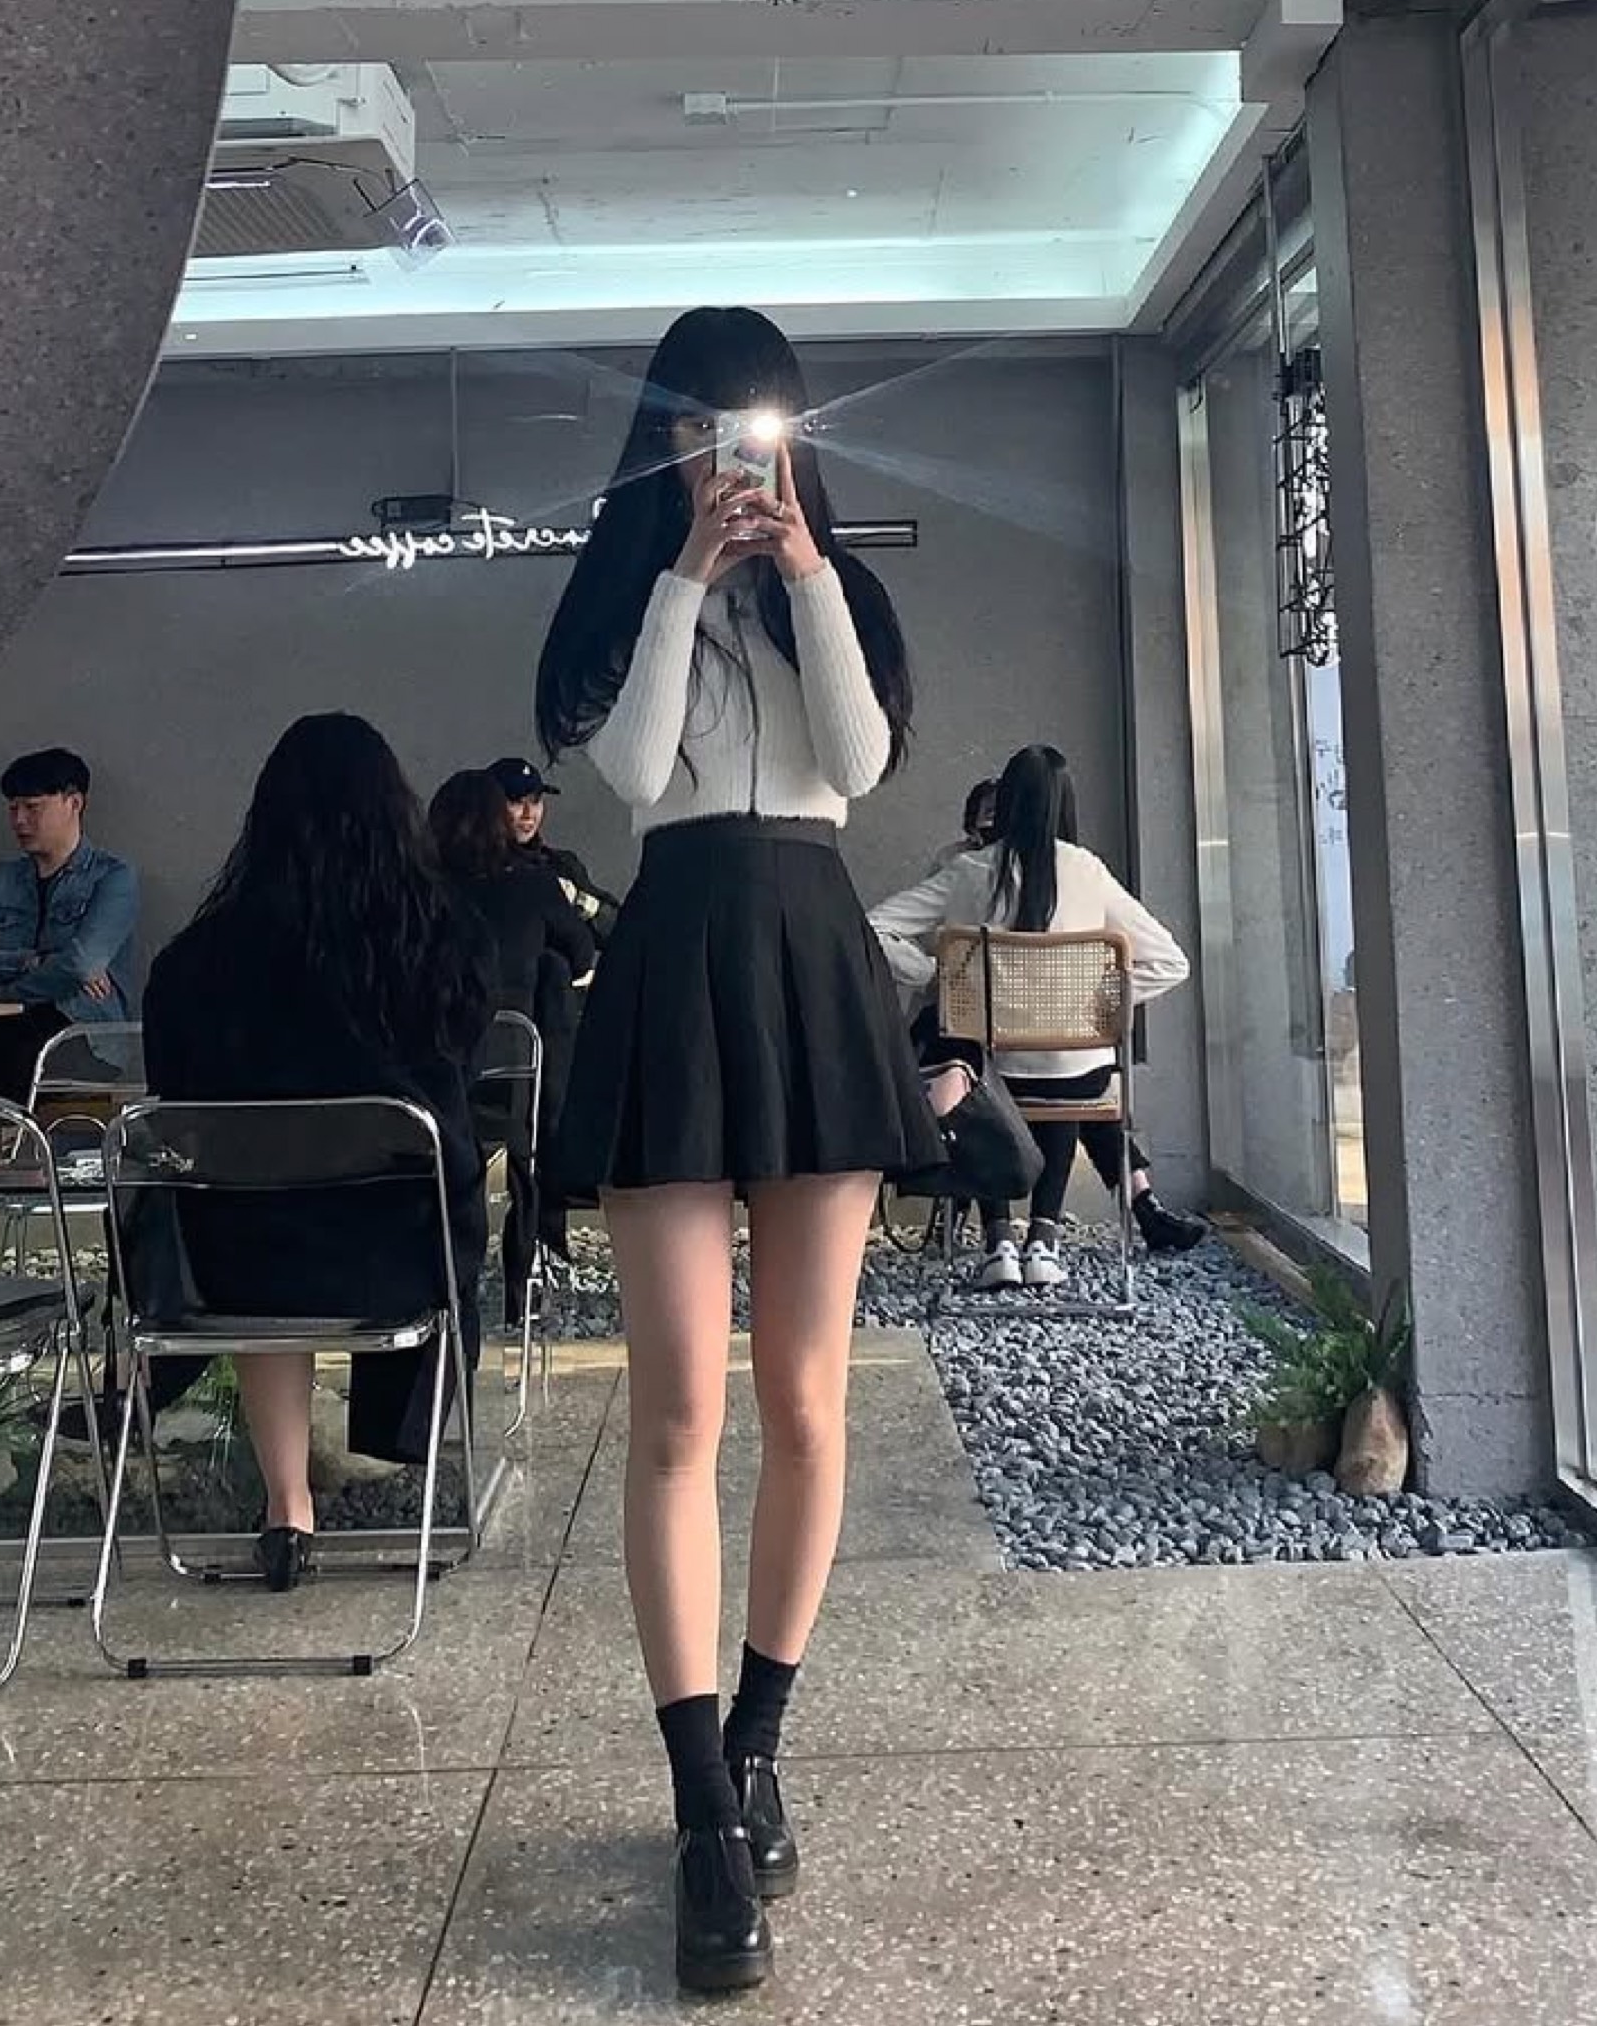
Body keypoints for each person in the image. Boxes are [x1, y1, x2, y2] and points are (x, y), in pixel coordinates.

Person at [539, 304, 934, 1995]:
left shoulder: (838, 596)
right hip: (677, 948)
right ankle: (702, 1798)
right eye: (698, 426)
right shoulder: (628, 597)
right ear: (661, 440)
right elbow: (632, 769)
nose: (727, 457)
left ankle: (760, 1737)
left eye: (752, 426)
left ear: (793, 434)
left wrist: (804, 573)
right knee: (677, 1410)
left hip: (810, 952)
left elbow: (858, 758)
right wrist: (685, 574)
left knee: (806, 1397)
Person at [142, 715, 492, 1590]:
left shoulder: (192, 963)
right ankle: (401, 1442)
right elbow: (459, 1077)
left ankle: (287, 1506)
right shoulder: (436, 939)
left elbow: (173, 1111)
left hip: (233, 1268)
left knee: (260, 1247)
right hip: (395, 1263)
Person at [869, 743, 1199, 1287]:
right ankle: (1043, 1243)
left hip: (988, 1078)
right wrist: (1093, 1003)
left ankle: (998, 1241)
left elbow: (872, 928)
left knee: (980, 1063)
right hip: (1079, 1081)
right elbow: (1170, 962)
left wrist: (934, 975)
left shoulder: (969, 871)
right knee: (1063, 1064)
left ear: (1007, 804)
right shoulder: (1088, 871)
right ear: (1065, 804)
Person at [430, 765, 595, 1286]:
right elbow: (583, 951)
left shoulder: (422, 892)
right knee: (551, 976)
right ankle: (532, 1254)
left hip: (436, 1076)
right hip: (517, 1082)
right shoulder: (536, 883)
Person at [0, 748, 140, 1093]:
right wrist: (37, 961)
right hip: (5, 1027)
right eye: (13, 809)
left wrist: (6, 992)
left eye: (32, 808)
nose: (19, 821)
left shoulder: (113, 877)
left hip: (82, 1031)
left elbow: (82, 962)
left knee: (11, 1054)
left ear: (74, 803)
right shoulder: (1, 880)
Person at [489, 754, 621, 947]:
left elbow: (620, 933)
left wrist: (579, 901)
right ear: (489, 805)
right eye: (516, 801)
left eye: (535, 800)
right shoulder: (474, 867)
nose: (528, 814)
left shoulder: (560, 864)